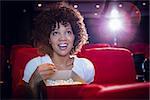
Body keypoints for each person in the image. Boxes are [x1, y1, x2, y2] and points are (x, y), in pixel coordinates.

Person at [22, 1, 95, 98]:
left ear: (75, 36)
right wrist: (34, 81)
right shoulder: (34, 65)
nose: (62, 38)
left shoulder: (86, 66)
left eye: (68, 32)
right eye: (56, 33)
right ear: (48, 39)